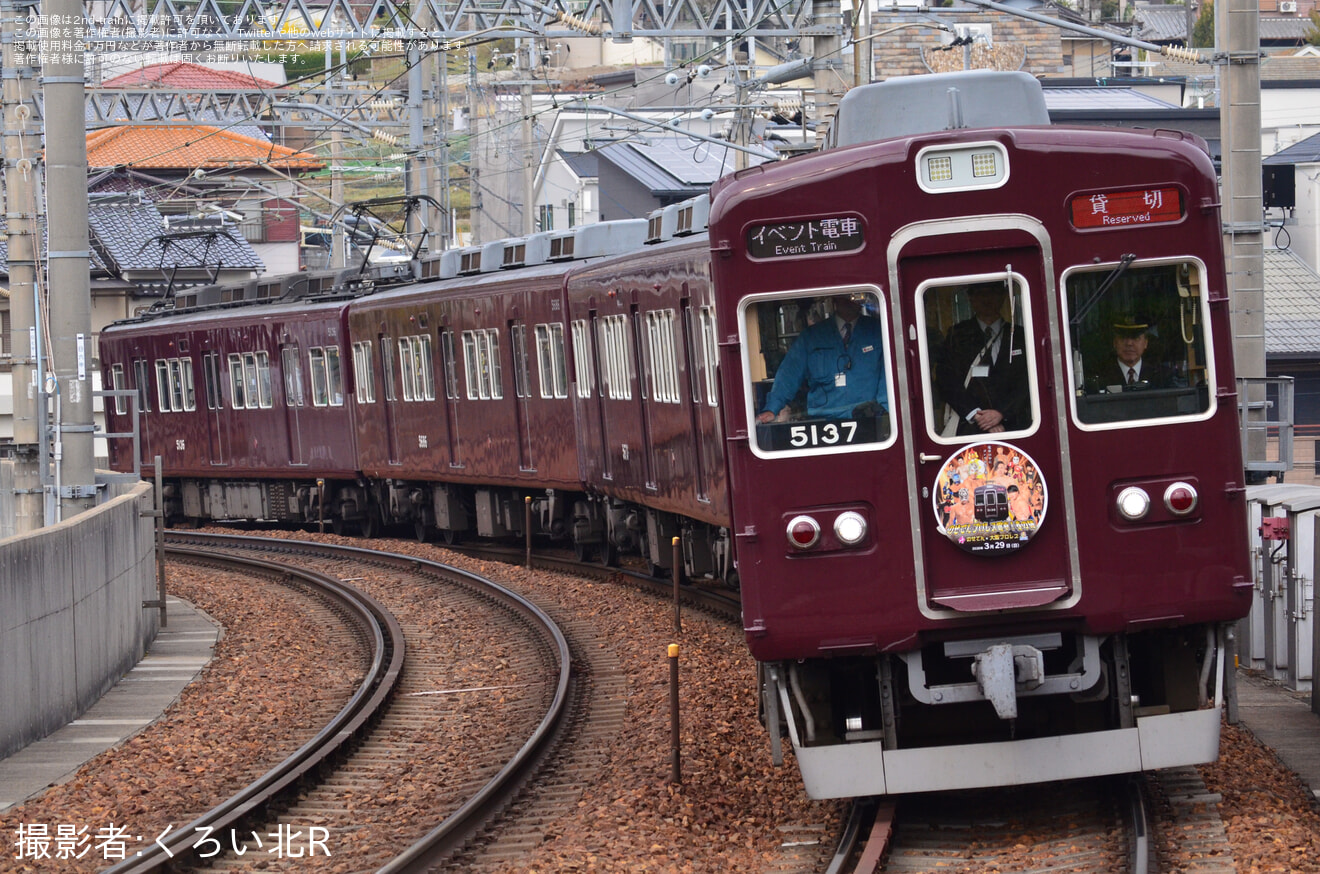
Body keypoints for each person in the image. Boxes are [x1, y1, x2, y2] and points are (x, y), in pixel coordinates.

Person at [757, 294, 887, 423]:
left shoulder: (878, 331)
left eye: (853, 296)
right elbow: (789, 373)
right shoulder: (811, 337)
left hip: (869, 418)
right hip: (823, 422)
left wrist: (885, 410)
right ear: (835, 299)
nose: (849, 301)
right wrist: (772, 408)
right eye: (844, 296)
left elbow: (889, 374)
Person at [937, 282, 1030, 436]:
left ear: (1003, 297)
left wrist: (1001, 413)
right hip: (969, 428)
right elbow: (946, 379)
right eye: (980, 294)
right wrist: (976, 414)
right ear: (971, 298)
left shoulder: (1019, 335)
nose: (986, 299)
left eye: (992, 293)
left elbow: (1028, 382)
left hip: (1016, 427)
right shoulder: (957, 335)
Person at [1087, 316, 1176, 392]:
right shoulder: (1100, 377)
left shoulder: (1162, 376)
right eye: (1123, 338)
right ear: (1114, 343)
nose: (1129, 343)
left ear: (1145, 343)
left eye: (1135, 338)